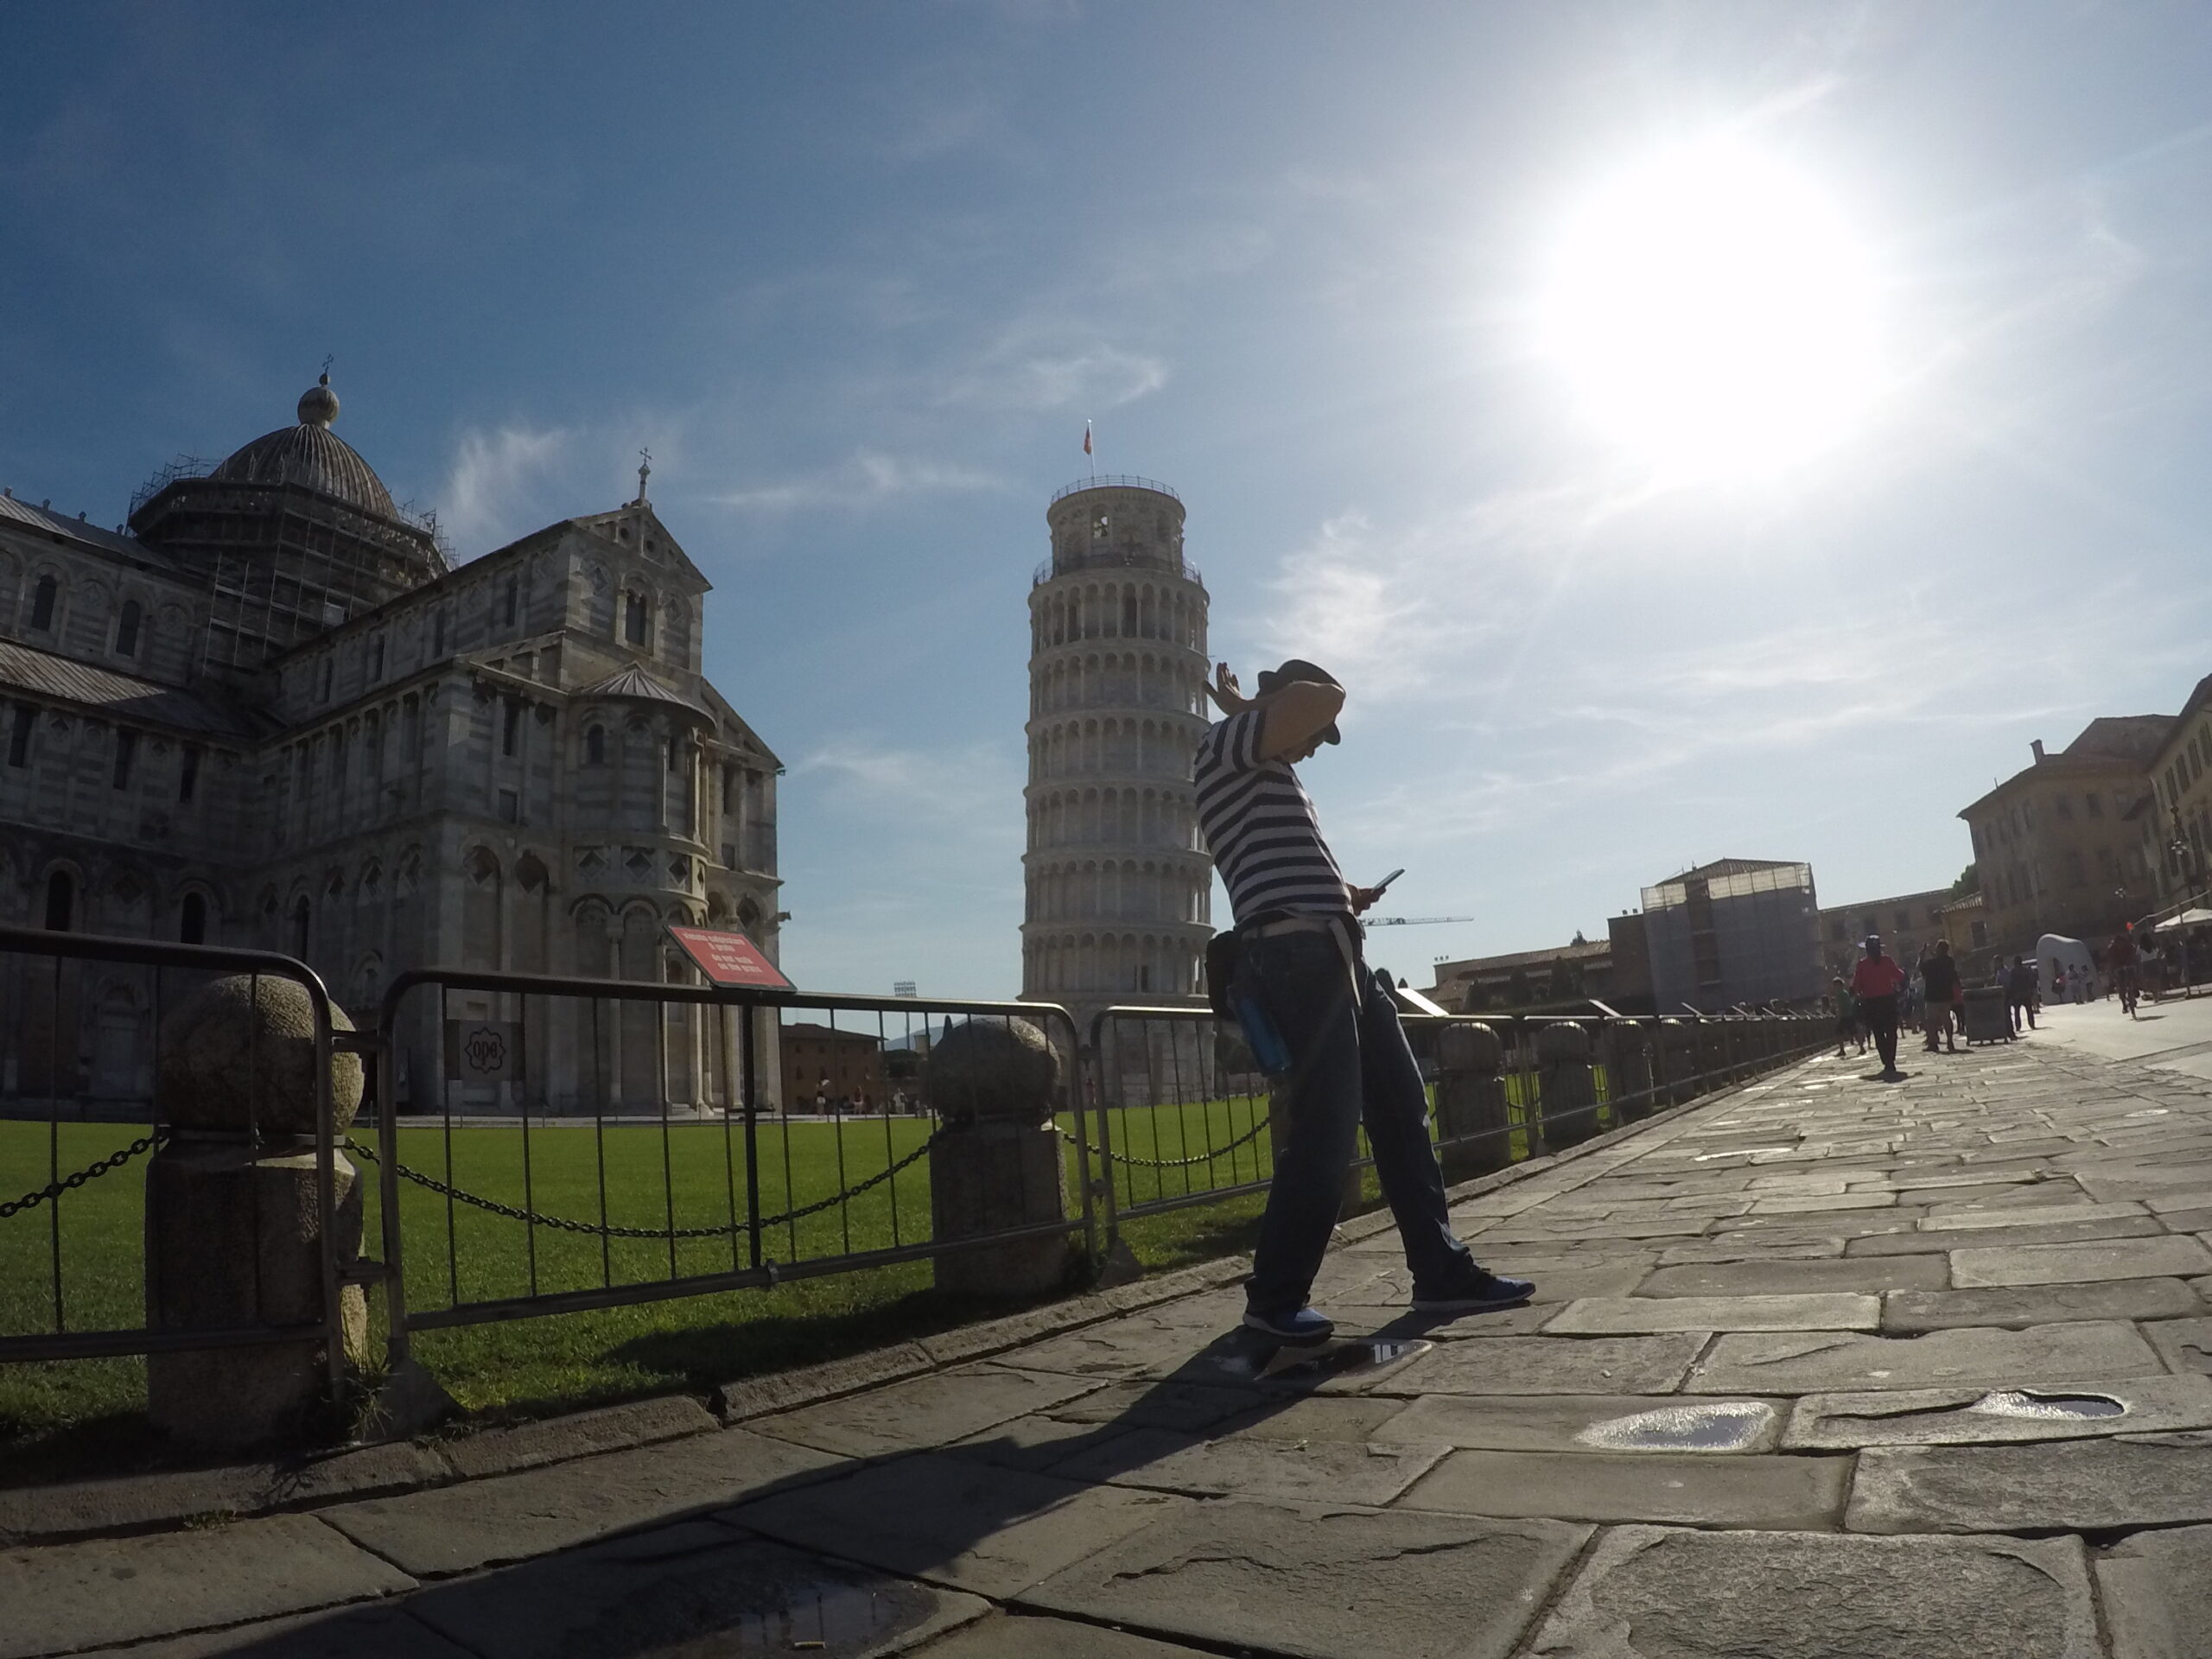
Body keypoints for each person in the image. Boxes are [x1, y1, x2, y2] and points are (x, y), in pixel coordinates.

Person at [1197, 658, 1531, 1344]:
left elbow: (1276, 863)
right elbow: (1329, 695)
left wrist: (1346, 893)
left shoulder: (1269, 772)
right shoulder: (1226, 745)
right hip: (1296, 958)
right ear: (1274, 702)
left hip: (1339, 957)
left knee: (1403, 1112)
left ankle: (1440, 1272)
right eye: (1314, 736)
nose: (1316, 747)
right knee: (1326, 1127)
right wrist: (1243, 708)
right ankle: (1275, 1297)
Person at [1851, 935, 1909, 1078]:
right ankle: (1891, 1059)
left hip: (1871, 1003)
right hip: (1888, 1001)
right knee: (1891, 1032)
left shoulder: (1862, 965)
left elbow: (1856, 986)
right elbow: (1900, 976)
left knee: (1878, 1033)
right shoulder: (1887, 961)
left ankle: (1886, 1060)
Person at [1921, 939, 1961, 1054]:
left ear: (1938, 949)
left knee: (1931, 1021)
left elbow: (1922, 969)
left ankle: (1933, 1043)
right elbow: (1941, 961)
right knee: (1946, 1018)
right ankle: (1950, 1041)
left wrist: (1922, 955)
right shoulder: (1950, 962)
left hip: (1932, 995)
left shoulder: (1931, 964)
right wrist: (1933, 953)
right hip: (1946, 994)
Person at [2109, 926, 2141, 1017]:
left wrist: (2134, 964)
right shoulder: (2112, 948)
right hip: (2120, 967)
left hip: (2127, 965)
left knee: (2132, 979)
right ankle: (2124, 1004)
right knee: (2122, 986)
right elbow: (2111, 961)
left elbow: (2134, 956)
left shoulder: (2127, 945)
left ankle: (2134, 990)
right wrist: (2113, 970)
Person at [1831, 976, 1861, 1058]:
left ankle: (1842, 1050)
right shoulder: (1845, 993)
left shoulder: (1840, 994)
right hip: (1849, 1015)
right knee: (1853, 1032)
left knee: (1839, 1033)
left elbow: (1841, 1007)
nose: (1834, 987)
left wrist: (1838, 1016)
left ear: (1840, 985)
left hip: (1845, 1016)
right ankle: (1861, 1048)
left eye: (1835, 985)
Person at [2006, 955, 2037, 1033]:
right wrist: (2031, 990)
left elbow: (2010, 984)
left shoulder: (2012, 972)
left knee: (2017, 1012)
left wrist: (2011, 994)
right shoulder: (2026, 970)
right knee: (2029, 1010)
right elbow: (2031, 980)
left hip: (2017, 995)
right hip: (2026, 993)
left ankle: (2018, 1026)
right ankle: (2032, 1024)